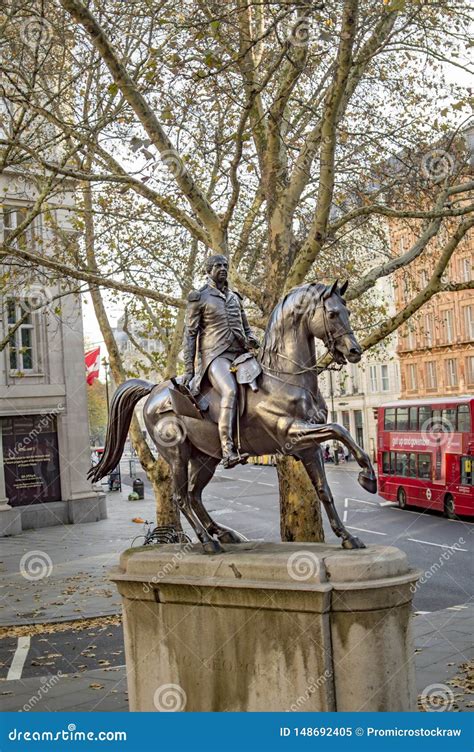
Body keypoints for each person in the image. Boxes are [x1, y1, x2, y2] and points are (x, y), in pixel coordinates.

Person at [182, 254, 260, 468]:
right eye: (218, 265)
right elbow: (190, 335)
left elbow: (246, 328)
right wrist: (189, 370)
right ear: (209, 270)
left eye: (225, 265)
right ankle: (228, 449)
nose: (223, 268)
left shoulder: (235, 297)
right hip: (216, 357)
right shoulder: (200, 297)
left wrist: (251, 338)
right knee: (230, 391)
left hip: (241, 354)